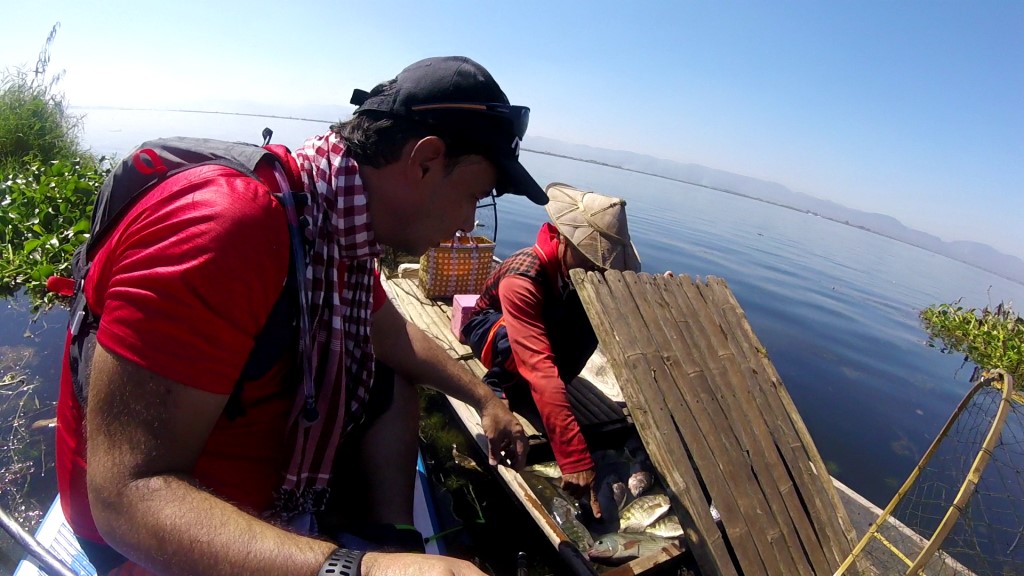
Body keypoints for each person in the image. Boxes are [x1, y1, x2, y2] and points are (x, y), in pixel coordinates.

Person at [55, 56, 546, 576]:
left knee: (393, 367)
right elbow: (123, 498)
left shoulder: (326, 220)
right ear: (424, 161)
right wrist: (359, 571)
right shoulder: (228, 228)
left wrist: (483, 398)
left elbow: (393, 334)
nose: (468, 225)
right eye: (474, 195)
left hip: (252, 487)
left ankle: (391, 532)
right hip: (146, 547)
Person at [462, 182, 652, 521]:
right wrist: (575, 457)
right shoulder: (523, 275)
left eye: (602, 263)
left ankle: (545, 397)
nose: (598, 269)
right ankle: (498, 385)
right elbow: (538, 366)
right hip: (491, 327)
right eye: (591, 258)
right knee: (520, 345)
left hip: (541, 339)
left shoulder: (583, 276)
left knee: (588, 316)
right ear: (565, 238)